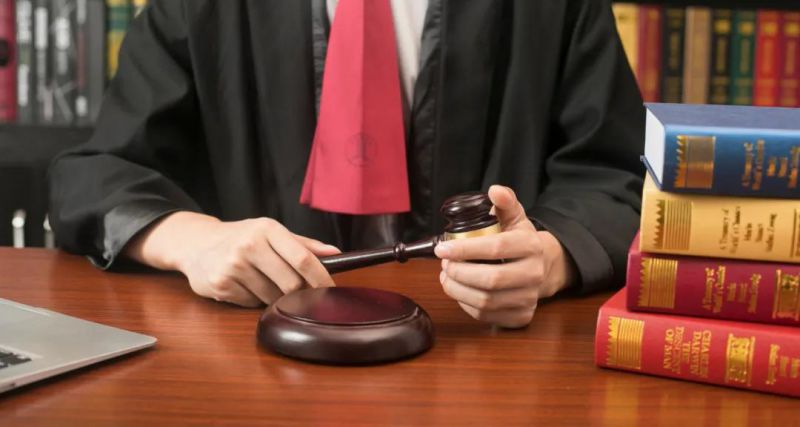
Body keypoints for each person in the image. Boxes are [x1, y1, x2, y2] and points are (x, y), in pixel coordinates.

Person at [49, 0, 645, 328]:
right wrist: (193, 241)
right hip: (254, 353)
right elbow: (95, 173)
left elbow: (619, 174)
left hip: (484, 351)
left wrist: (549, 259)